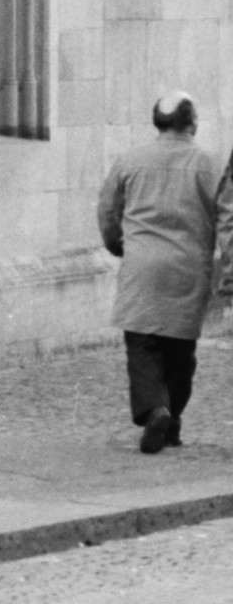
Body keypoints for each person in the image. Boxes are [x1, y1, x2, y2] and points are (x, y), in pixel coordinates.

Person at [98, 90, 233, 454]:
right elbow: (228, 222)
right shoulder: (213, 163)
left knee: (142, 347)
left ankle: (154, 409)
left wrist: (117, 245)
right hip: (188, 269)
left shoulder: (130, 160)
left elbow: (108, 212)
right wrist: (230, 270)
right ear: (192, 123)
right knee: (180, 351)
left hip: (141, 266)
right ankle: (171, 419)